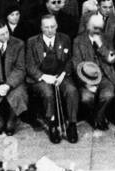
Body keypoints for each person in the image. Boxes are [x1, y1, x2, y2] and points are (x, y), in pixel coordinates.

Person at [24, 14, 79, 144]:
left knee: (72, 91)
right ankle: (53, 123)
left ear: (57, 26)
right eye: (46, 27)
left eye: (52, 27)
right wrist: (43, 77)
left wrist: (63, 74)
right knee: (48, 94)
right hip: (42, 78)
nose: (50, 30)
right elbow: (29, 65)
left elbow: (70, 60)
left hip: (60, 76)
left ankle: (72, 124)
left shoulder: (64, 39)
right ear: (41, 28)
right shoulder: (32, 42)